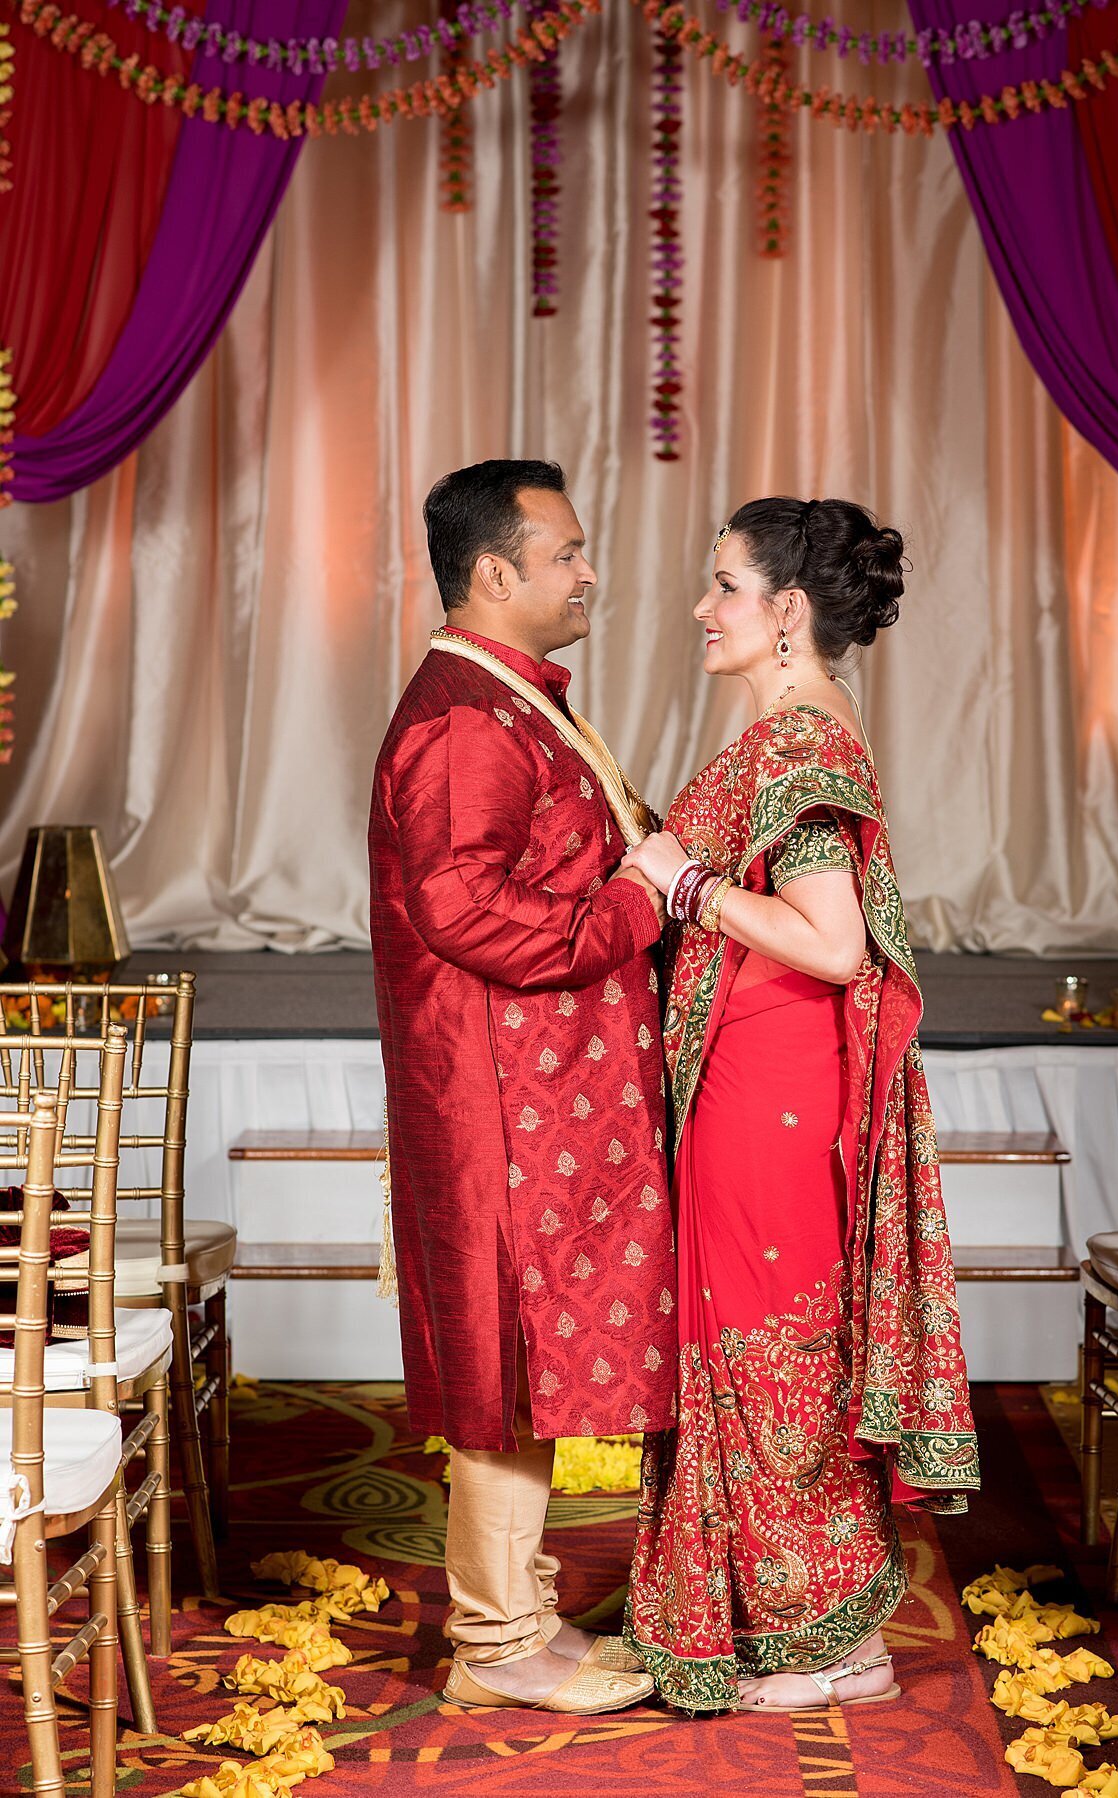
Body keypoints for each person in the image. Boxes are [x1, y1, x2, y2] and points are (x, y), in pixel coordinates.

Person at [620, 496, 979, 1715]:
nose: (702, 608)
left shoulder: (798, 744)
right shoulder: (807, 727)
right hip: (769, 1075)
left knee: (769, 1350)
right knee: (766, 1345)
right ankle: (792, 1620)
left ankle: (833, 1642)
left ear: (787, 611)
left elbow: (830, 944)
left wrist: (687, 885)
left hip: (770, 1083)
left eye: (724, 585)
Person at [368, 459, 677, 1716]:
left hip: (540, 1090)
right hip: (497, 1096)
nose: (588, 571)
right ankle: (498, 1642)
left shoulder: (512, 703)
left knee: (529, 1358)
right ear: (496, 573)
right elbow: (469, 913)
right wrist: (641, 897)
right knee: (503, 1355)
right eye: (568, 552)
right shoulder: (461, 722)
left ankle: (515, 1620)